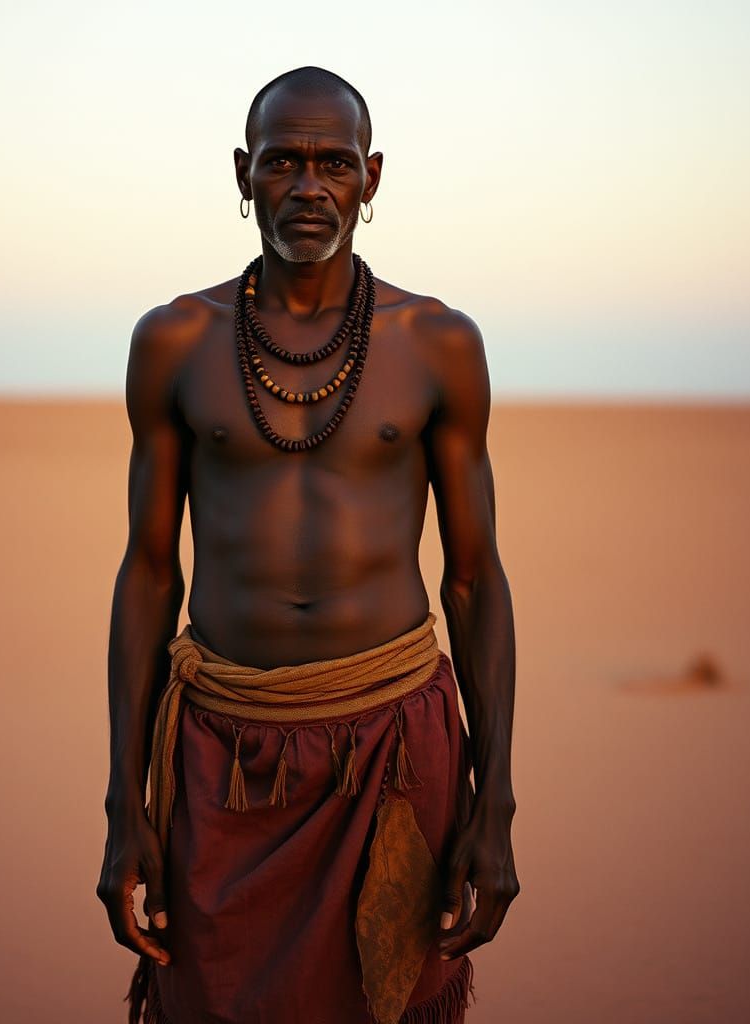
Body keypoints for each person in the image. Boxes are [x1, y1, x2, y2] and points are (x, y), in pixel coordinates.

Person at [97, 66, 519, 1024]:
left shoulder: (438, 341)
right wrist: (126, 801)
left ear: (372, 178)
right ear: (243, 173)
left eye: (333, 163)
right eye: (282, 161)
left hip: (391, 748)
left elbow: (476, 579)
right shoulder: (174, 339)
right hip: (221, 752)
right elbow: (149, 572)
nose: (308, 187)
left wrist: (493, 802)